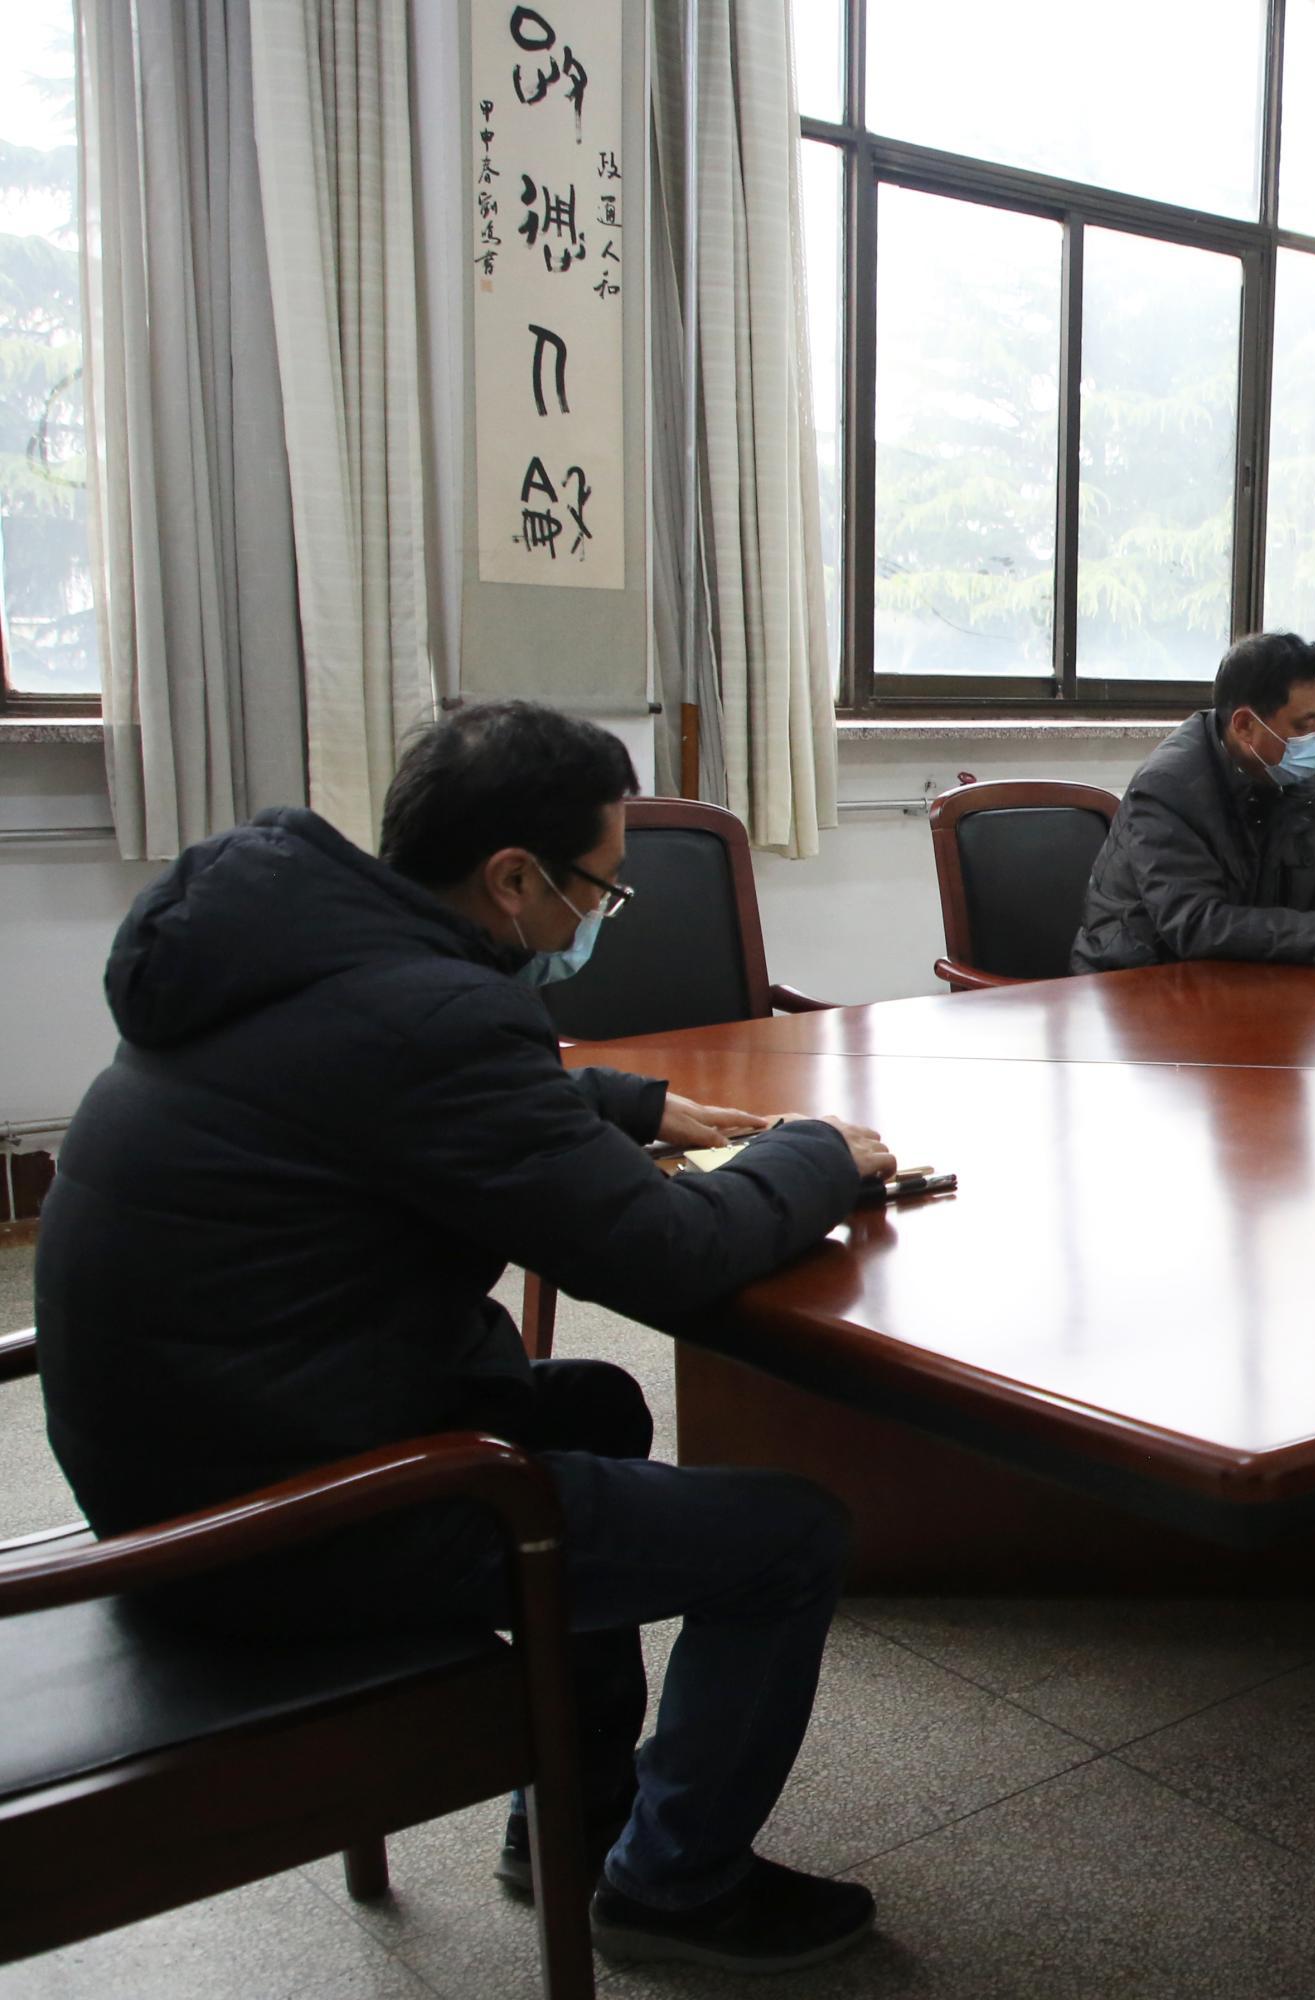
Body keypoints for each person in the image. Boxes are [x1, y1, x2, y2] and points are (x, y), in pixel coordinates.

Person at [35, 700, 896, 1972]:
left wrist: (631, 1104)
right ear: (511, 878)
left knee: (595, 1403)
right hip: (276, 1525)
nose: (593, 918)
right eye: (596, 889)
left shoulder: (275, 944)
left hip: (175, 1457)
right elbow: (667, 1254)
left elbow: (371, 1079)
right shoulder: (431, 1016)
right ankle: (676, 1885)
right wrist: (815, 1152)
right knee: (789, 1535)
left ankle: (570, 1803)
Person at [1072, 631, 1315, 972]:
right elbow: (1196, 924)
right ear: (1244, 725)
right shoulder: (1167, 789)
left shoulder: (1300, 776)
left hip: (1248, 976)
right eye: (1302, 725)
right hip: (1141, 981)